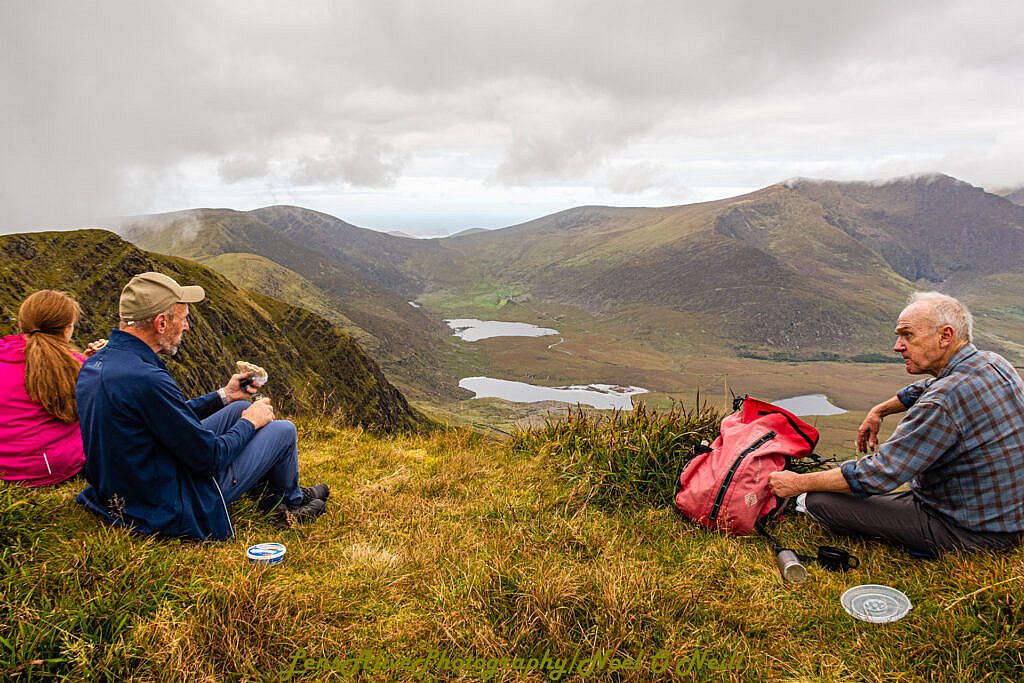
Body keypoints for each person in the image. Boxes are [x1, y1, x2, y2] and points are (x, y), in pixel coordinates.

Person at [75, 272, 329, 540]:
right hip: (167, 500)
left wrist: (225, 395)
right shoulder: (146, 379)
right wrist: (251, 421)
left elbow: (168, 417)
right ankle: (288, 504)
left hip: (133, 481)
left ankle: (279, 492)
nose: (187, 327)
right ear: (161, 323)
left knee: (233, 409)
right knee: (282, 430)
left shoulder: (101, 362)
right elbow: (208, 459)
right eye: (183, 319)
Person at [768, 291, 1024, 556]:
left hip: (969, 533)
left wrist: (798, 482)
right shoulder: (993, 363)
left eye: (908, 335)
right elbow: (926, 386)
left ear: (945, 336)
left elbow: (879, 474)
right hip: (1006, 518)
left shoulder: (941, 402)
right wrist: (880, 410)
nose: (898, 346)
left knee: (818, 500)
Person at [0, 290, 102, 486]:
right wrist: (93, 366)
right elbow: (89, 413)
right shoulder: (76, 367)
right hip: (51, 470)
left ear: (22, 324)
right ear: (67, 330)